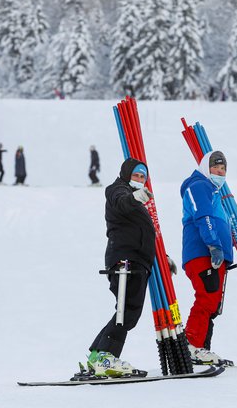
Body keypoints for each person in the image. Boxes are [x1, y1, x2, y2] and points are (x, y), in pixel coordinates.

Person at [87, 158, 156, 377]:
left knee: (125, 311)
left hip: (137, 260)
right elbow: (121, 202)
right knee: (127, 312)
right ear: (126, 174)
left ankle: (98, 356)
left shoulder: (137, 203)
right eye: (136, 175)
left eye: (143, 177)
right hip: (126, 260)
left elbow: (144, 233)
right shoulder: (117, 190)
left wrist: (161, 257)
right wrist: (134, 197)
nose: (139, 180)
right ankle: (107, 357)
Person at [180, 150, 234, 365]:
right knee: (206, 298)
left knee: (211, 304)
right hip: (202, 253)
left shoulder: (215, 193)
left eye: (223, 169)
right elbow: (203, 217)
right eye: (216, 167)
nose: (220, 172)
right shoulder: (198, 186)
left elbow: (221, 224)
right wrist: (213, 244)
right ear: (205, 167)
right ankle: (191, 345)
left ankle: (202, 349)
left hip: (215, 254)